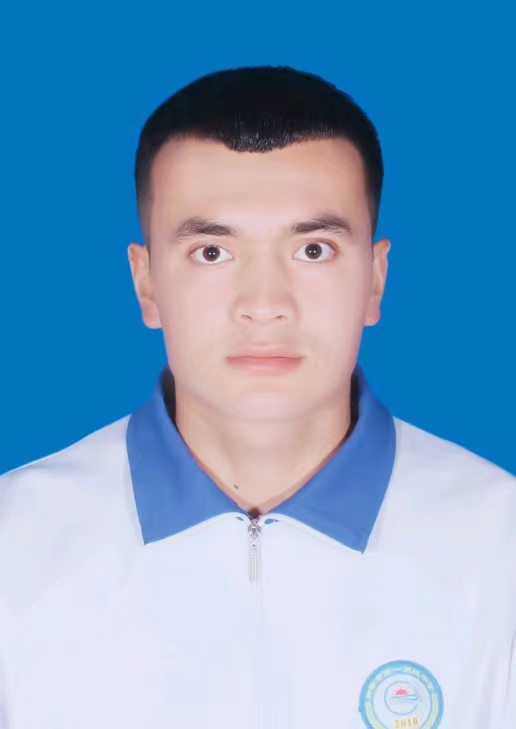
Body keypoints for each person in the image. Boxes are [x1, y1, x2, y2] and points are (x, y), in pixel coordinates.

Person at [0, 65, 514, 729]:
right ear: (147, 283)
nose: (266, 304)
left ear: (375, 279)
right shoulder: (15, 545)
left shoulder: (500, 548)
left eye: (313, 249)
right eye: (212, 252)